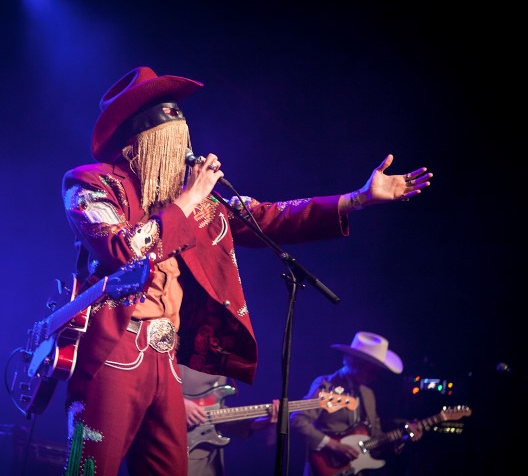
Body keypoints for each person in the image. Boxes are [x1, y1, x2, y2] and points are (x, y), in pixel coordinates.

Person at [59, 66, 433, 476]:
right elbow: (124, 250)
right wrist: (189, 199)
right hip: (114, 350)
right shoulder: (90, 184)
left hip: (167, 357)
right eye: (173, 141)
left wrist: (357, 199)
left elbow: (269, 217)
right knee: (92, 469)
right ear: (146, 141)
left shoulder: (194, 199)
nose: (184, 150)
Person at [289, 331, 425, 476]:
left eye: (377, 372)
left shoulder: (368, 394)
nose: (374, 377)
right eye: (372, 371)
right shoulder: (326, 385)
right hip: (325, 467)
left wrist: (401, 437)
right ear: (356, 363)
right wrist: (333, 445)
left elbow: (375, 438)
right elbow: (297, 420)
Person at [180, 364, 280, 476]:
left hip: (207, 456)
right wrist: (179, 403)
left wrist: (253, 424)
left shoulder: (223, 360)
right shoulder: (175, 354)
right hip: (177, 452)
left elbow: (214, 412)